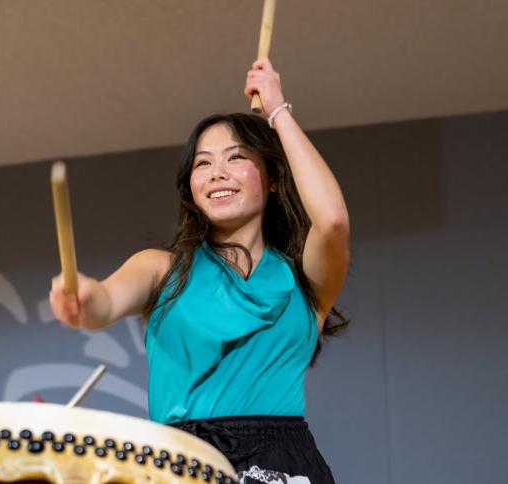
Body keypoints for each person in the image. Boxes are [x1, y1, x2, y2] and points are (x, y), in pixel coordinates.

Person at [50, 58, 349, 484]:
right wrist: (81, 297)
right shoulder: (160, 268)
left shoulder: (306, 281)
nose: (217, 173)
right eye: (203, 163)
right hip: (181, 463)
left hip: (282, 464)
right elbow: (104, 301)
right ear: (191, 186)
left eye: (236, 157)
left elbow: (333, 221)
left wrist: (278, 112)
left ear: (272, 177)